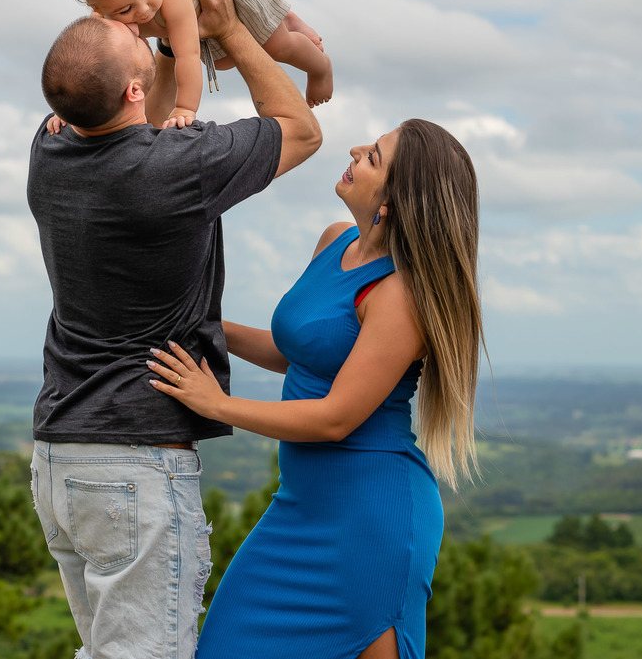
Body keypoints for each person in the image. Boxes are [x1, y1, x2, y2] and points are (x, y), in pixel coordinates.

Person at [27, 0, 322, 659]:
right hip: (136, 466)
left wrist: (162, 40)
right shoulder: (175, 168)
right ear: (133, 90)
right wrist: (230, 26)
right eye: (134, 34)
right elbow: (303, 130)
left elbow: (130, 109)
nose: (143, 24)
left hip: (61, 457)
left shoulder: (48, 151)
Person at [149, 118, 484, 659]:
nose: (355, 150)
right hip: (298, 509)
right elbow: (297, 352)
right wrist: (204, 326)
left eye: (373, 156)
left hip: (371, 522)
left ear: (394, 202)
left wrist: (218, 405)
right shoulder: (336, 241)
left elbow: (336, 417)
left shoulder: (400, 294)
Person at [63, 0, 333, 126]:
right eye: (125, 10)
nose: (144, 10)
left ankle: (319, 67)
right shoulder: (102, 21)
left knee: (278, 44)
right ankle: (281, 16)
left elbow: (188, 57)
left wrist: (185, 108)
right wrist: (68, 114)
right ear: (98, 9)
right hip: (194, 11)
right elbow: (88, 71)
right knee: (225, 62)